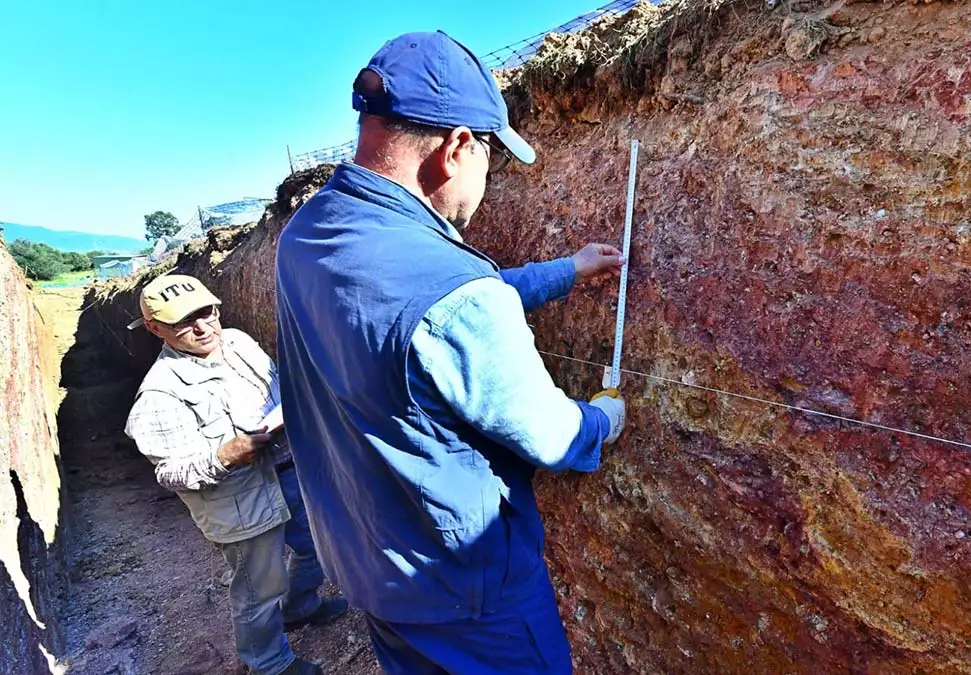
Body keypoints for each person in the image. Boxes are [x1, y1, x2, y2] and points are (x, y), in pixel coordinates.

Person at [274, 31, 627, 675]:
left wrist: (562, 272)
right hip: (469, 598)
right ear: (457, 147)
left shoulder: (307, 232)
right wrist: (604, 418)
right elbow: (550, 435)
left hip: (367, 568)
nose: (487, 177)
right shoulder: (451, 288)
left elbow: (415, 324)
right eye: (491, 155)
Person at [124, 274, 348, 675]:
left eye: (207, 313)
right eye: (183, 322)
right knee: (259, 589)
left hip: (288, 470)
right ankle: (269, 663)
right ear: (156, 329)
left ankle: (300, 607)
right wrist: (223, 457)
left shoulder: (239, 343)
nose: (203, 327)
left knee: (315, 546)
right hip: (238, 502)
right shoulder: (159, 394)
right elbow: (170, 473)